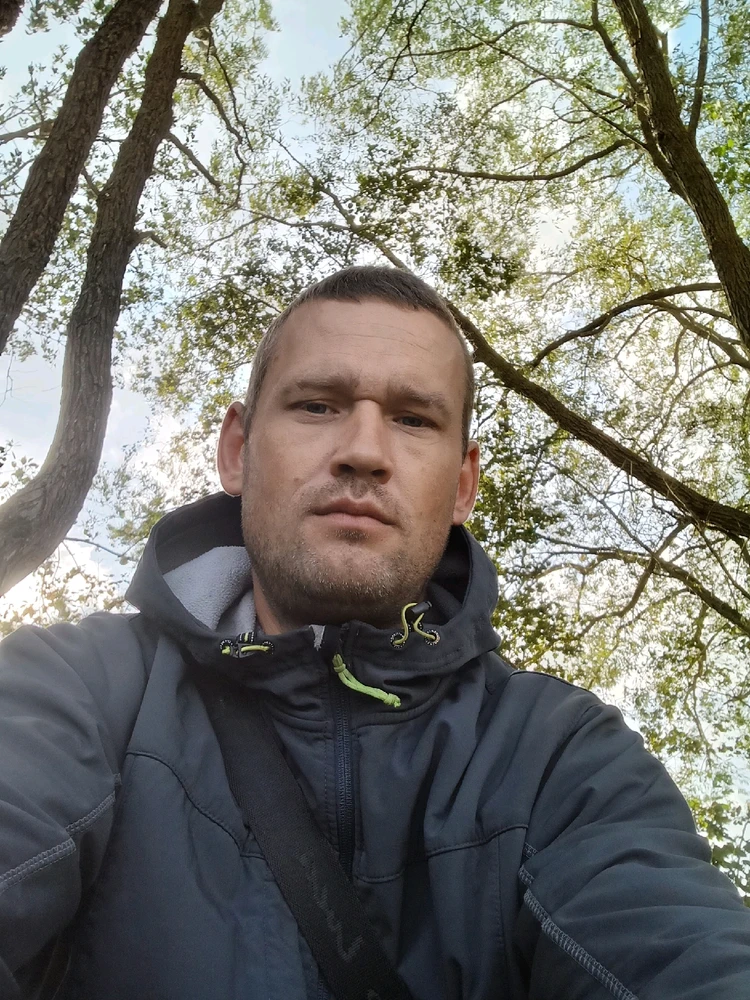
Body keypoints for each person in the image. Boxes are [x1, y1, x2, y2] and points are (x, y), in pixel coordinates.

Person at [0, 265, 748, 1000]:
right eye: (317, 406)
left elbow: (677, 946)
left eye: (413, 419)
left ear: (462, 486)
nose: (363, 450)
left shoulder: (559, 753)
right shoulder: (77, 687)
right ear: (237, 452)